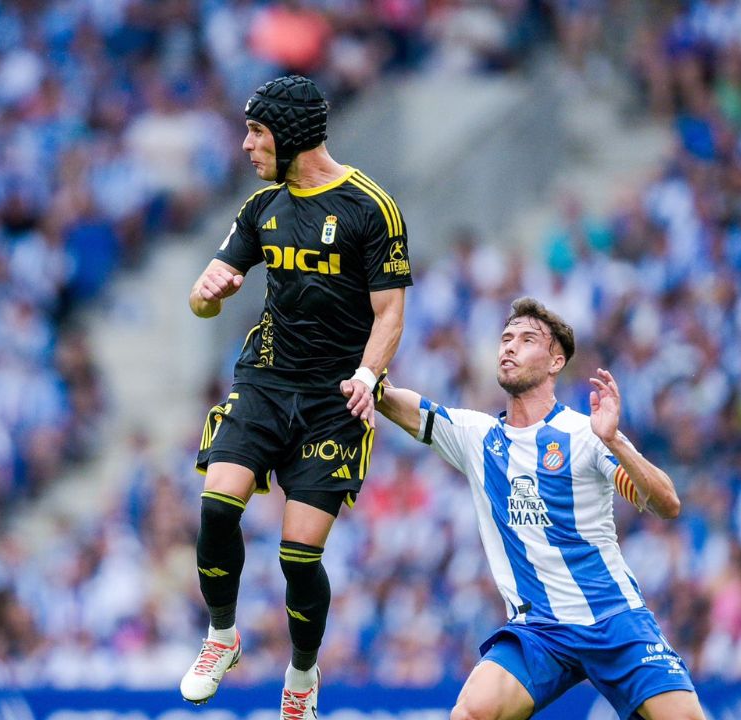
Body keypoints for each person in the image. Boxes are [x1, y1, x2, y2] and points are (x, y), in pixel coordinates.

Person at [181, 75, 411, 719]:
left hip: (335, 399)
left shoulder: (371, 207)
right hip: (264, 379)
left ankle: (303, 674)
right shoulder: (261, 208)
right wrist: (206, 293)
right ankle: (221, 636)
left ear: (290, 135)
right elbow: (201, 302)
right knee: (217, 507)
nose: (247, 145)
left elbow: (390, 314)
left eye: (257, 131)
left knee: (298, 554)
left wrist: (367, 377)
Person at [372, 297, 705, 720]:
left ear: (555, 362)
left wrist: (615, 440)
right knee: (470, 714)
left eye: (528, 339)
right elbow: (395, 401)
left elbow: (666, 503)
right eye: (506, 338)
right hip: (540, 630)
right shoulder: (477, 436)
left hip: (614, 620)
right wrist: (360, 374)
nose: (510, 347)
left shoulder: (586, 434)